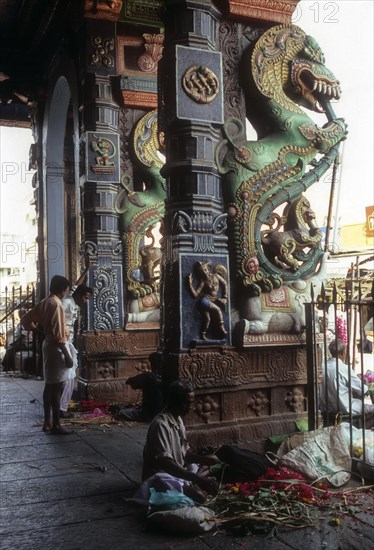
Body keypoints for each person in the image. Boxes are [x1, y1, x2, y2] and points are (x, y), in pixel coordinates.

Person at [136, 380, 219, 504]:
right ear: (174, 401)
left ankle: (193, 483)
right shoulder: (160, 425)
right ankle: (194, 484)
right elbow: (166, 464)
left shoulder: (178, 419)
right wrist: (197, 478)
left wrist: (204, 459)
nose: (190, 408)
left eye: (190, 403)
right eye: (186, 403)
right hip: (163, 476)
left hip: (178, 470)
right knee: (199, 496)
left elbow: (185, 452)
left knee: (206, 466)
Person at [21, 275, 74, 435]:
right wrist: (67, 355)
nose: (66, 292)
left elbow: (25, 319)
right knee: (57, 387)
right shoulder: (56, 304)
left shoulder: (44, 302)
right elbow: (59, 334)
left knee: (49, 385)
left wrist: (38, 330)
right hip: (57, 347)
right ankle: (56, 424)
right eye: (66, 289)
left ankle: (47, 422)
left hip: (47, 344)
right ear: (62, 289)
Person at [319, 339, 374, 429]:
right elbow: (363, 390)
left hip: (327, 410)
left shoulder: (321, 367)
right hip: (345, 409)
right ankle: (361, 430)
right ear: (343, 353)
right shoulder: (343, 368)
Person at [60, 282, 93, 418]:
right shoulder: (66, 303)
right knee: (66, 377)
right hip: (62, 343)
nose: (85, 302)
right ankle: (61, 408)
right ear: (79, 295)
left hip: (69, 342)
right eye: (85, 298)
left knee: (70, 376)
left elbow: (76, 285)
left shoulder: (73, 302)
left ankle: (63, 406)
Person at [186, 261, 228, 340]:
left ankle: (202, 334)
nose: (205, 273)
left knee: (207, 319)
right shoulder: (203, 282)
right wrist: (190, 285)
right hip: (204, 301)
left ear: (208, 269)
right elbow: (195, 295)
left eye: (205, 270)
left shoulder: (216, 276)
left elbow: (225, 283)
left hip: (211, 301)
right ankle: (222, 329)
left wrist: (225, 297)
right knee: (218, 310)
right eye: (202, 272)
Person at [119, 350, 163, 422]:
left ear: (152, 364)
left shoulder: (148, 376)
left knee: (122, 413)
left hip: (149, 415)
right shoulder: (169, 376)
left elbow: (130, 381)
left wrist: (143, 376)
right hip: (164, 414)